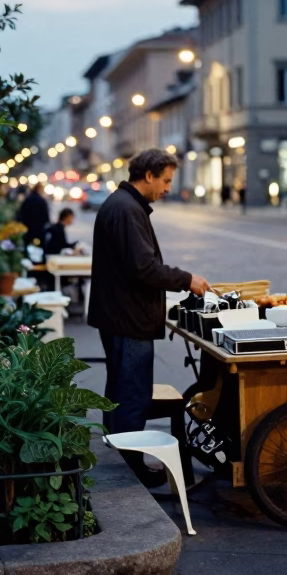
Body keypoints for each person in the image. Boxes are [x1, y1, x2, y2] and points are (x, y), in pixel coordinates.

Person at [87, 148, 211, 488]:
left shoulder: (123, 204)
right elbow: (144, 267)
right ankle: (131, 469)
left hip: (118, 315)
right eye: (166, 180)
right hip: (128, 319)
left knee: (118, 392)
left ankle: (120, 457)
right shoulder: (127, 210)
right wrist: (187, 279)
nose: (168, 188)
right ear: (149, 176)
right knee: (132, 395)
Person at [16, 183, 49, 251]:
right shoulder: (42, 201)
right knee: (38, 248)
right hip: (38, 229)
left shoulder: (28, 199)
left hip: (28, 228)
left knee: (27, 247)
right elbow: (45, 216)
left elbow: (21, 214)